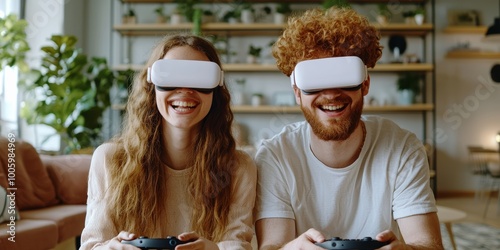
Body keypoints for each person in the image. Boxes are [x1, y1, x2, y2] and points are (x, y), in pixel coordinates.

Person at [254, 7, 443, 250]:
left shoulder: (402, 148)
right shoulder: (275, 156)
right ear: (297, 92)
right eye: (316, 81)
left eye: (344, 77)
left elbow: (429, 245)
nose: (331, 94)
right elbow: (272, 246)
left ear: (365, 84)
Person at [80, 34, 257, 250]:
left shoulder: (238, 167)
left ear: (216, 90)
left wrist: (214, 249)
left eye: (199, 79)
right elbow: (91, 246)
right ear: (151, 85)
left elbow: (239, 244)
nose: (185, 90)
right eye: (171, 77)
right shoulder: (110, 160)